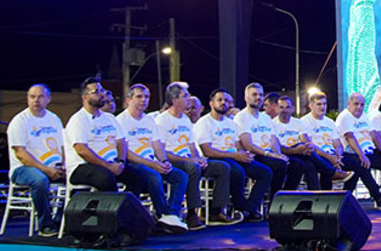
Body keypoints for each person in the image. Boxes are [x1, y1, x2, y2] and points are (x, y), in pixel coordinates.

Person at [65, 76, 187, 233]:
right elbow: (81, 150)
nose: (101, 94)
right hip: (84, 167)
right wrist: (109, 165)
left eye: (102, 90)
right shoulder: (78, 120)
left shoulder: (109, 118)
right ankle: (111, 221)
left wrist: (121, 162)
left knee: (138, 177)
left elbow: (121, 142)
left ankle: (133, 217)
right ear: (85, 97)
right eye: (96, 91)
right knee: (106, 177)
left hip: (113, 163)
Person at [155, 82, 240, 227]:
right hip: (172, 159)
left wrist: (199, 159)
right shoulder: (162, 120)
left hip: (188, 159)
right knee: (193, 168)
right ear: (175, 100)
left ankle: (216, 211)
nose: (189, 99)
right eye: (185, 96)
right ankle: (191, 214)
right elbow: (161, 152)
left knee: (223, 167)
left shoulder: (184, 120)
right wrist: (191, 160)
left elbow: (192, 146)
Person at [115, 84, 190, 229]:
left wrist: (164, 161)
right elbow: (126, 153)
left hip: (152, 162)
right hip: (133, 163)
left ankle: (172, 214)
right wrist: (152, 164)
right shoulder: (121, 121)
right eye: (139, 96)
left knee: (180, 176)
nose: (144, 100)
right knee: (154, 175)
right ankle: (162, 215)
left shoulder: (149, 120)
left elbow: (157, 146)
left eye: (147, 97)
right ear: (128, 100)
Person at [195, 88, 272, 222]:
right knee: (237, 171)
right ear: (211, 104)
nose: (223, 103)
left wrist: (244, 154)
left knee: (265, 172)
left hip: (233, 157)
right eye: (219, 100)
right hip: (215, 157)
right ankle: (233, 209)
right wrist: (235, 156)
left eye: (226, 100)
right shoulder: (204, 122)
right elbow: (207, 150)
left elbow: (237, 144)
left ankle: (249, 208)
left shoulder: (231, 123)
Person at [6, 84, 65, 236]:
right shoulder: (20, 121)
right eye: (32, 97)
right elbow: (21, 154)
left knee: (78, 177)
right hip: (23, 169)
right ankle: (45, 225)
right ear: (27, 99)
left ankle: (60, 220)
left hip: (52, 167)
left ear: (48, 99)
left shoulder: (54, 119)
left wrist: (64, 165)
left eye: (40, 96)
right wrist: (47, 170)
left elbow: (64, 146)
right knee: (39, 180)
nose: (36, 100)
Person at [235, 83, 304, 199]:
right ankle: (274, 200)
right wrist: (271, 155)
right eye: (254, 94)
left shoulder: (265, 118)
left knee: (297, 165)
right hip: (255, 155)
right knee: (279, 165)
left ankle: (285, 198)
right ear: (246, 98)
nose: (258, 98)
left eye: (261, 95)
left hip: (269, 155)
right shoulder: (241, 117)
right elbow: (248, 145)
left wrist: (279, 154)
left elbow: (274, 140)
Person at [272, 95, 352, 190]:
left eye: (287, 107)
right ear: (277, 108)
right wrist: (296, 150)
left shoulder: (298, 123)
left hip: (302, 153)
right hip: (284, 153)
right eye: (281, 107)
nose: (284, 110)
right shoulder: (273, 124)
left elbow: (305, 139)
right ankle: (332, 174)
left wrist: (307, 146)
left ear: (292, 109)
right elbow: (276, 147)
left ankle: (321, 197)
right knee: (311, 162)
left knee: (310, 161)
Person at [335, 93, 381, 210]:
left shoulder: (364, 117)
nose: (359, 107)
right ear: (349, 104)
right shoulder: (344, 117)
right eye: (356, 104)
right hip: (351, 153)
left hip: (369, 151)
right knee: (362, 165)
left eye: (362, 105)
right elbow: (350, 137)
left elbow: (374, 135)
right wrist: (362, 155)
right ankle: (378, 198)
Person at [299, 92, 352, 190]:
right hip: (318, 155)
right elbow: (310, 146)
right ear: (310, 106)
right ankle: (320, 196)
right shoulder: (304, 122)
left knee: (357, 164)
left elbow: (337, 144)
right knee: (315, 164)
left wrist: (338, 157)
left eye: (324, 104)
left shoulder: (330, 122)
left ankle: (346, 195)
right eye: (319, 104)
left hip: (332, 154)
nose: (322, 107)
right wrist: (330, 158)